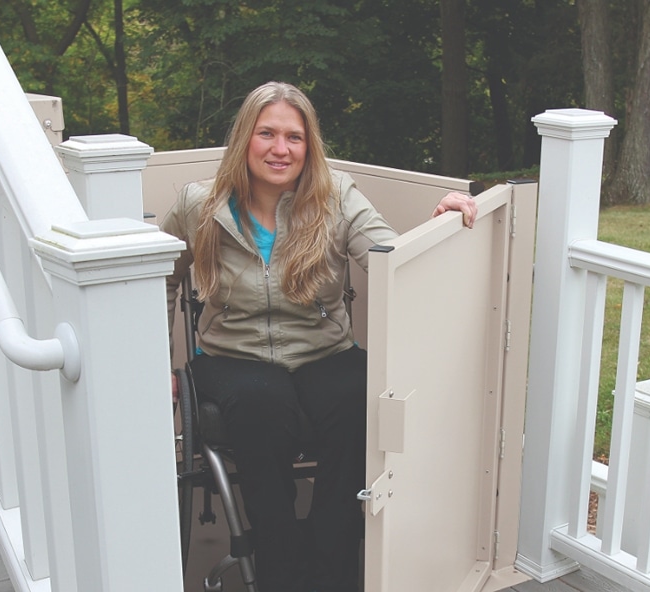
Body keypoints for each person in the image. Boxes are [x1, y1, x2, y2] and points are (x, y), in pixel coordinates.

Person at [162, 81, 477, 592]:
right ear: (245, 138)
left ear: (310, 147)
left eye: (294, 137)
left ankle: (332, 562)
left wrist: (435, 225)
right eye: (267, 133)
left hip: (322, 348)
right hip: (231, 354)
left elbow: (392, 259)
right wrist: (157, 366)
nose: (280, 149)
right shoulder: (200, 205)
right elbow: (160, 278)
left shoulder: (337, 197)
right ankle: (280, 571)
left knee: (360, 398)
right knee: (263, 405)